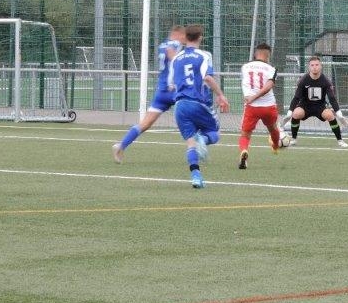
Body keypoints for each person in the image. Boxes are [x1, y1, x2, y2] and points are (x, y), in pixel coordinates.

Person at [112, 25, 186, 163]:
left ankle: (121, 146)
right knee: (192, 111)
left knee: (145, 124)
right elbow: (172, 55)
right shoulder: (175, 44)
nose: (184, 39)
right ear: (176, 34)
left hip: (161, 91)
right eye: (183, 36)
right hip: (173, 90)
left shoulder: (162, 45)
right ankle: (199, 144)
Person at [168, 23, 229, 188]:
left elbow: (171, 85)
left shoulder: (176, 59)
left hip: (180, 106)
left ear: (186, 38)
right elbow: (207, 78)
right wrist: (221, 95)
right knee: (214, 133)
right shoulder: (203, 56)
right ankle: (203, 139)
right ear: (200, 37)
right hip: (198, 104)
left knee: (190, 142)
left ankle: (196, 177)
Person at [286, 55, 348, 148]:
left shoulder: (326, 81)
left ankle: (340, 140)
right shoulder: (303, 80)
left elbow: (332, 98)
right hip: (305, 105)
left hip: (320, 106)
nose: (314, 67)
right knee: (296, 113)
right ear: (309, 67)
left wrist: (339, 113)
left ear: (320, 66)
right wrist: (290, 111)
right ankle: (294, 139)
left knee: (330, 115)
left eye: (317, 65)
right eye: (312, 65)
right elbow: (296, 97)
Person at [237, 42, 282, 170]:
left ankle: (244, 151)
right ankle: (275, 147)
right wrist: (256, 96)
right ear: (268, 55)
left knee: (245, 134)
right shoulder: (271, 69)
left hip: (251, 107)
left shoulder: (245, 67)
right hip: (269, 106)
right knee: (273, 129)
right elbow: (268, 86)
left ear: (255, 53)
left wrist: (252, 97)